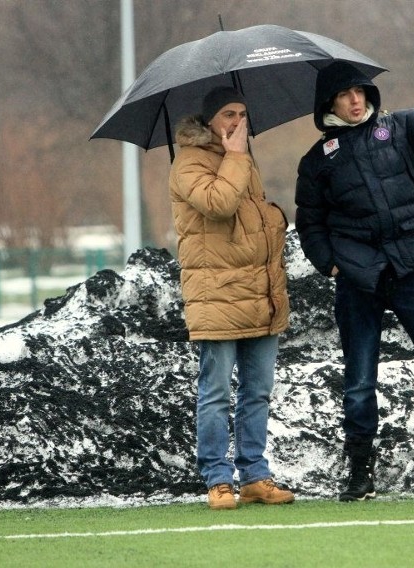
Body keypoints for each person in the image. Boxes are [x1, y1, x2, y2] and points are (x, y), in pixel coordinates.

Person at [295, 62, 414, 502]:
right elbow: (310, 224)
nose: (356, 100)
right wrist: (330, 265)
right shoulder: (316, 162)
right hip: (358, 279)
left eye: (360, 91)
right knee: (360, 379)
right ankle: (360, 472)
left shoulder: (401, 126)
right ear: (329, 104)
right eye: (345, 95)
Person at [169, 86, 294, 510]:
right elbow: (219, 204)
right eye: (228, 114)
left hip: (259, 293)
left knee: (258, 390)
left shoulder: (243, 160)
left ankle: (255, 475)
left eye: (242, 113)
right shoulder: (187, 163)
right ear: (209, 122)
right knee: (217, 392)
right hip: (216, 297)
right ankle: (218, 479)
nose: (238, 122)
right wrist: (237, 157)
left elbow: (255, 217)